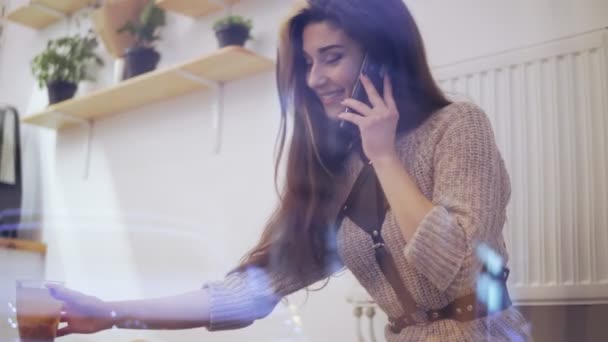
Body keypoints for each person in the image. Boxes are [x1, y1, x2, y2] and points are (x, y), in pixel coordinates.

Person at [47, 0, 532, 341]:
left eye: (333, 57)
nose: (315, 78)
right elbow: (245, 294)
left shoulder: (457, 126)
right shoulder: (339, 168)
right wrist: (111, 313)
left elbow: (462, 270)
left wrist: (384, 156)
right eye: (306, 63)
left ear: (382, 56)